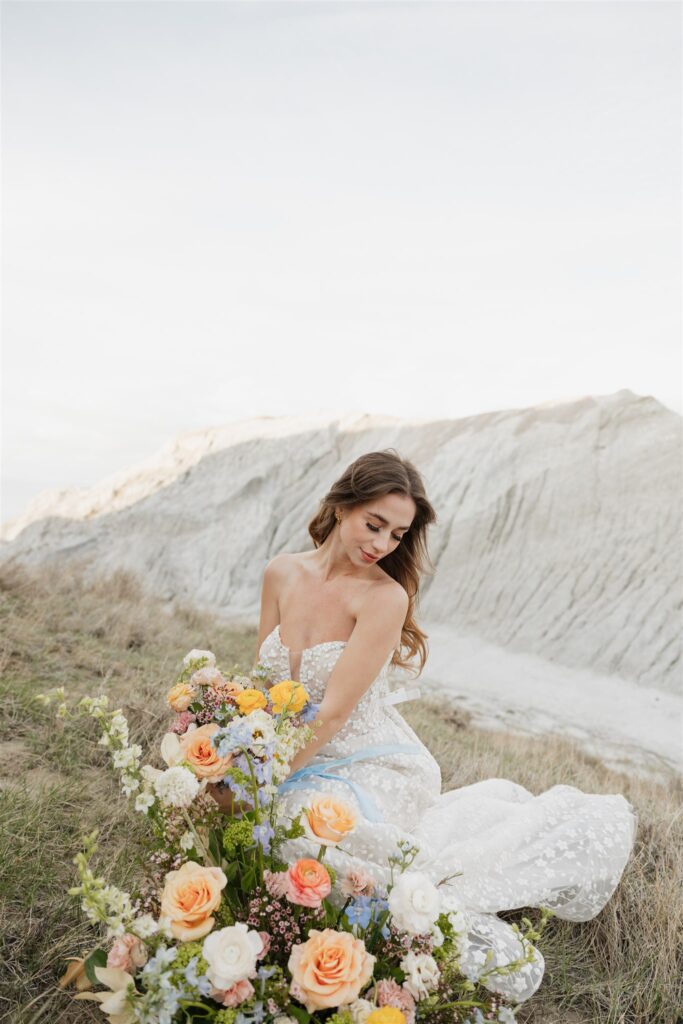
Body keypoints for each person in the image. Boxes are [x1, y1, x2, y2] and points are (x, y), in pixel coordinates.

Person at [250, 449, 638, 1003]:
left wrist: (261, 784)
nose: (382, 545)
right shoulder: (281, 572)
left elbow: (334, 713)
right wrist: (235, 748)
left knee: (302, 837)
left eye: (397, 534)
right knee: (262, 836)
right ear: (342, 506)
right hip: (294, 745)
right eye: (374, 524)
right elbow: (259, 685)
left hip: (364, 757)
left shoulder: (384, 597)